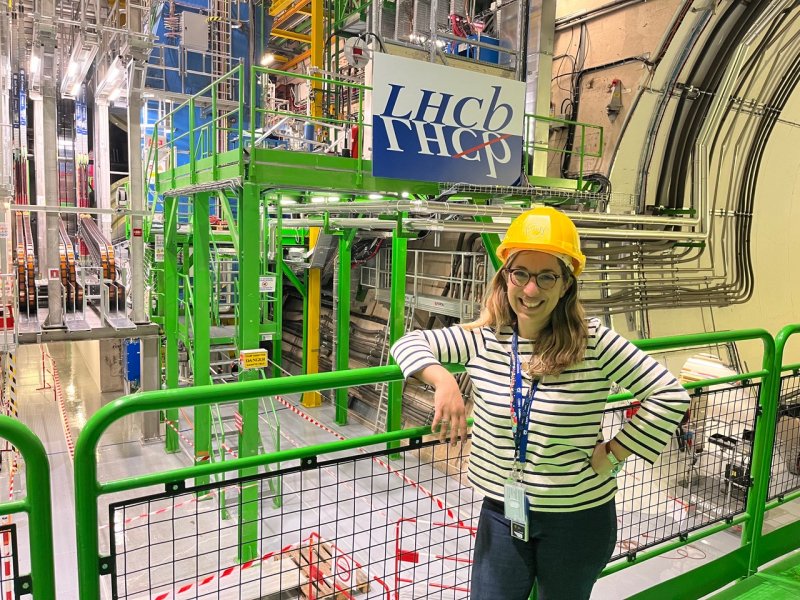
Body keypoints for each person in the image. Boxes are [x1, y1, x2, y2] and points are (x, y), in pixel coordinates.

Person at [390, 207, 691, 600]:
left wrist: (614, 453)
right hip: (503, 510)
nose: (531, 290)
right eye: (521, 274)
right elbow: (407, 343)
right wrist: (442, 379)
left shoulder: (594, 342)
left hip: (577, 518)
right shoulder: (484, 339)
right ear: (506, 278)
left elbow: (670, 394)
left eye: (547, 276)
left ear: (565, 285)